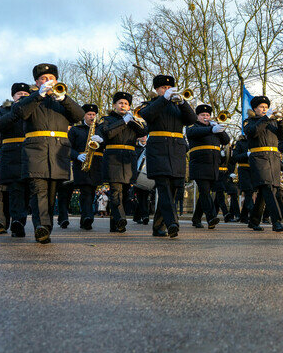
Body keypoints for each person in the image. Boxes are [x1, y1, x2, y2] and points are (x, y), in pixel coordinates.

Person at [14, 63, 85, 244]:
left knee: (52, 193)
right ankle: (42, 226)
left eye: (51, 78)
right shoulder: (30, 100)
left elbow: (79, 115)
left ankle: (46, 227)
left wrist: (64, 98)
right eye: (43, 79)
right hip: (35, 150)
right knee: (38, 191)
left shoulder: (62, 101)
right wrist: (39, 95)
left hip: (58, 152)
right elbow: (19, 112)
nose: (48, 81)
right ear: (37, 82)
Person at [137, 75, 197, 238]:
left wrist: (183, 103)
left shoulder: (178, 106)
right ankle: (172, 223)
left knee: (173, 188)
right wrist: (164, 99)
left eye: (169, 88)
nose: (167, 90)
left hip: (176, 150)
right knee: (163, 186)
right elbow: (147, 115)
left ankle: (158, 227)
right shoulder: (150, 104)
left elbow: (191, 119)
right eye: (163, 88)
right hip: (158, 150)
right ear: (157, 90)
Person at [96, 91, 147, 233]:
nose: (123, 105)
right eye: (120, 103)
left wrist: (133, 120)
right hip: (113, 158)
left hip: (129, 159)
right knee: (115, 192)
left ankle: (116, 224)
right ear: (114, 105)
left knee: (125, 193)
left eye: (126, 104)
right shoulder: (107, 119)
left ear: (129, 107)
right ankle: (120, 218)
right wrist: (123, 122)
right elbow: (108, 133)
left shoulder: (133, 121)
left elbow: (143, 132)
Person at [0, 83, 31, 237]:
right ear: (13, 96)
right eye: (19, 93)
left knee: (27, 192)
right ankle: (17, 222)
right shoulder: (3, 111)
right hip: (12, 155)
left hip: (31, 154)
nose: (23, 96)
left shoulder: (35, 109)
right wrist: (16, 112)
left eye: (26, 94)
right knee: (15, 191)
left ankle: (21, 219)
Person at [243, 96, 283, 232]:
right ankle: (276, 221)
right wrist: (265, 118)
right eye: (261, 107)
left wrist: (281, 121)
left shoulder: (273, 122)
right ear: (255, 109)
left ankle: (254, 220)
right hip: (259, 158)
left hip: (273, 158)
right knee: (268, 187)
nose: (264, 109)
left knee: (268, 190)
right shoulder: (249, 122)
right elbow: (253, 132)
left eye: (266, 107)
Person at [187, 104, 230, 229]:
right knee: (205, 191)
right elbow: (192, 133)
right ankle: (211, 217)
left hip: (213, 166)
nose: (205, 117)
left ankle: (196, 218)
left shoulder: (214, 128)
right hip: (199, 165)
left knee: (204, 193)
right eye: (202, 115)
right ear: (197, 116)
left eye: (207, 115)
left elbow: (226, 140)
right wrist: (211, 129)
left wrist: (218, 128)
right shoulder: (193, 126)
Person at [65, 103, 104, 230]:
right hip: (81, 164)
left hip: (96, 164)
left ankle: (85, 219)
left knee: (91, 192)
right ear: (83, 116)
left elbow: (107, 145)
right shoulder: (76, 130)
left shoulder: (101, 129)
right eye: (89, 114)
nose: (92, 117)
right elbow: (67, 147)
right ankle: (88, 217)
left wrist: (102, 140)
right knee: (85, 191)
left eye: (94, 114)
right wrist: (77, 156)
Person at [232, 133, 254, 225]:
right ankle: (253, 215)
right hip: (243, 169)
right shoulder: (240, 143)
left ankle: (243, 217)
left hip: (253, 170)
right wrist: (246, 154)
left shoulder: (255, 141)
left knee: (250, 192)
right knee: (248, 191)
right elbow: (235, 157)